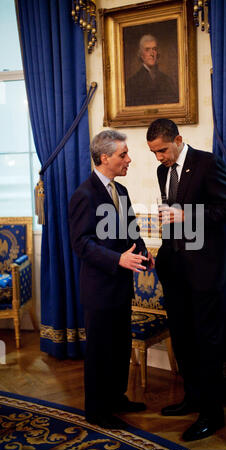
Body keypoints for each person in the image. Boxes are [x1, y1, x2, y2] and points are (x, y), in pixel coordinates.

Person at [146, 119, 226, 441]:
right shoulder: (163, 172)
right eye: (154, 153)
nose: (159, 158)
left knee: (206, 341)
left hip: (204, 269)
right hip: (174, 268)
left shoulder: (208, 163)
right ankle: (192, 399)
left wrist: (188, 215)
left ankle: (212, 414)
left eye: (162, 150)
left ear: (178, 139)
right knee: (183, 338)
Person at [69, 130, 154, 429]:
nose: (129, 159)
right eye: (123, 155)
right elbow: (81, 244)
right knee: (100, 351)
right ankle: (96, 411)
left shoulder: (121, 192)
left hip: (120, 287)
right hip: (99, 288)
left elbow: (131, 231)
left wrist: (142, 252)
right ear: (104, 158)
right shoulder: (84, 194)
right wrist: (117, 259)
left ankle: (117, 398)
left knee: (119, 347)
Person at [125, 34, 179, 107]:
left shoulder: (167, 79)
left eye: (154, 49)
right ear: (141, 54)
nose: (152, 54)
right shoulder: (132, 82)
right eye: (147, 50)